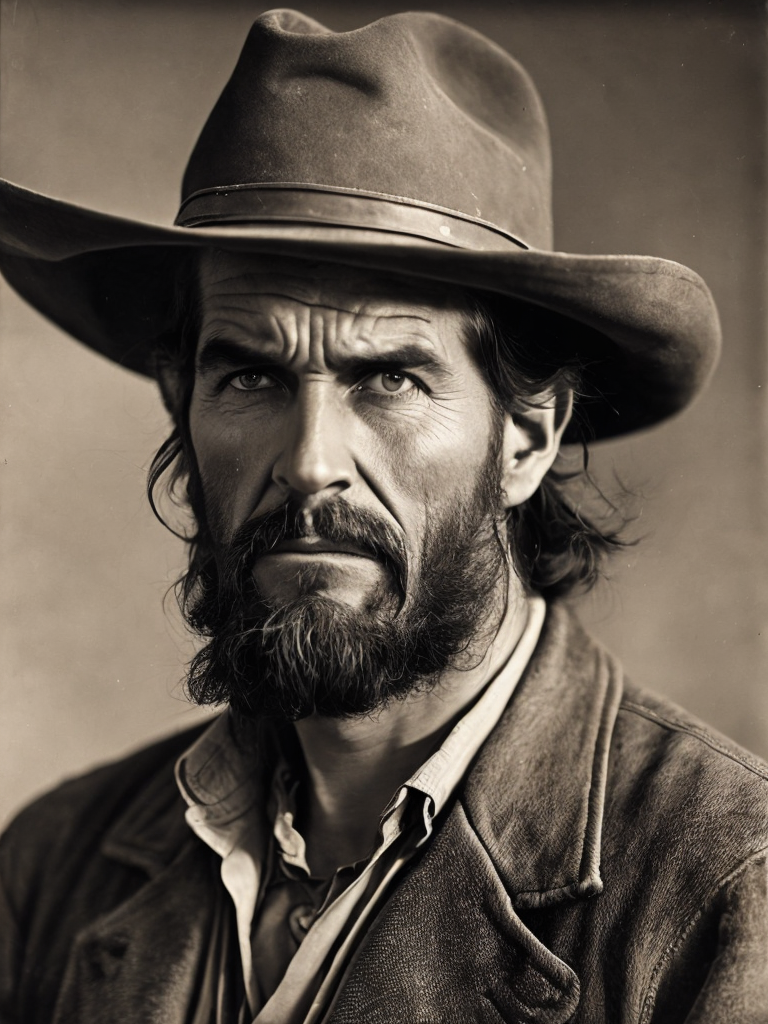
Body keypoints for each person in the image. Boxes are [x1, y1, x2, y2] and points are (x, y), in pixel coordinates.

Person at [0, 8, 766, 1023]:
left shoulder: (726, 886)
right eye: (252, 376)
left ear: (527, 437)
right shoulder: (50, 868)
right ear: (181, 401)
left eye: (390, 379)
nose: (310, 464)